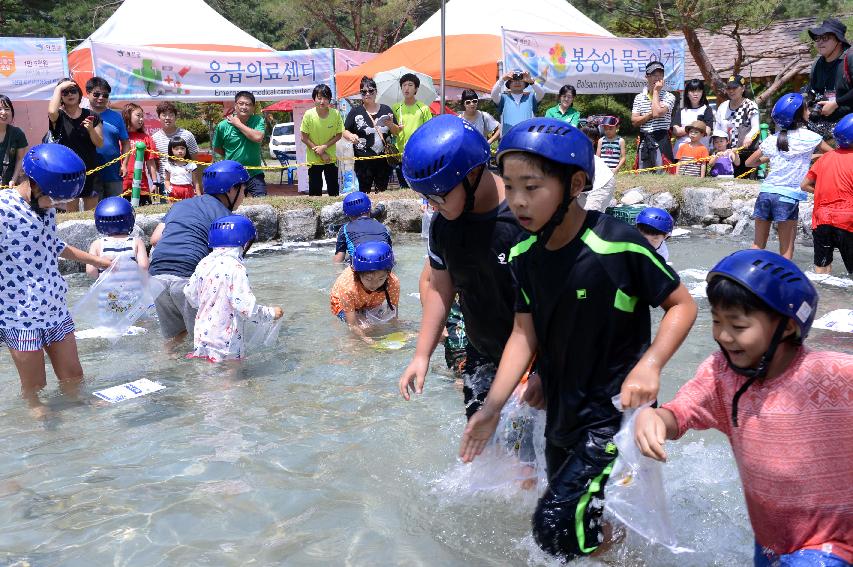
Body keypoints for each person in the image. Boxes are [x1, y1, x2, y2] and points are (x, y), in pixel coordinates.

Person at [458, 117, 697, 562]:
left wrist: (651, 364)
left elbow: (682, 306)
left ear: (575, 184)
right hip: (562, 413)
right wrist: (493, 407)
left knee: (554, 527)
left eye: (531, 187)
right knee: (582, 519)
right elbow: (524, 334)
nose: (518, 201)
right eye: (510, 187)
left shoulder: (618, 245)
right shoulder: (525, 257)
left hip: (613, 415)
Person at [634, 249, 852, 567]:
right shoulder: (722, 375)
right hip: (771, 541)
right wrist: (655, 419)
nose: (723, 335)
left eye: (738, 326)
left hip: (836, 544)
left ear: (788, 326)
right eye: (717, 321)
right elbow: (683, 410)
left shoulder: (832, 376)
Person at [398, 115, 528, 422]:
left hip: (536, 359)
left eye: (436, 196)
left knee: (527, 459)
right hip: (482, 355)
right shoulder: (444, 227)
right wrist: (421, 355)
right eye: (424, 198)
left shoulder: (526, 217)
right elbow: (440, 289)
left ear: (471, 175)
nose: (431, 206)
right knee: (483, 452)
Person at [0, 144, 112, 416]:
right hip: (20, 315)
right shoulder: (3, 210)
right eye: (55, 198)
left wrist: (99, 262)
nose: (59, 205)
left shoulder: (45, 208)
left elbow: (51, 243)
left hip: (54, 306)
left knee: (74, 378)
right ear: (34, 184)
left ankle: (81, 417)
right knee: (36, 391)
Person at [148, 160, 248, 345]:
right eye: (244, 189)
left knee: (174, 338)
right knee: (206, 340)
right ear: (231, 189)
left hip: (156, 276)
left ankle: (163, 367)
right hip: (187, 275)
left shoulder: (181, 205)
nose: (245, 195)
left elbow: (155, 239)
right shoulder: (226, 218)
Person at [183, 215, 283, 362]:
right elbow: (246, 308)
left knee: (208, 376)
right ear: (245, 242)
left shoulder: (204, 263)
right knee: (231, 382)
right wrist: (270, 313)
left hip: (202, 336)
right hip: (227, 342)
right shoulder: (236, 268)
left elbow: (190, 294)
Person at [745, 93, 832, 259]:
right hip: (787, 198)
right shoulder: (811, 138)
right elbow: (833, 155)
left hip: (766, 194)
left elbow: (749, 163)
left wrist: (772, 157)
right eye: (806, 109)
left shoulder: (772, 139)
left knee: (757, 245)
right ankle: (784, 283)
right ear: (798, 114)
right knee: (786, 251)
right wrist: (814, 157)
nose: (809, 112)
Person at [801, 113, 853, 275]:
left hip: (821, 220)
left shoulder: (825, 158)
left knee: (822, 272)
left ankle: (824, 300)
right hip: (847, 221)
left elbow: (804, 185)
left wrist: (825, 193)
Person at [48, 78, 103, 211]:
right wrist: (58, 88)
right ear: (60, 96)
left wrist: (90, 129)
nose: (70, 95)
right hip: (67, 172)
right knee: (72, 216)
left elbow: (100, 143)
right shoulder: (59, 116)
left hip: (90, 169)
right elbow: (51, 112)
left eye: (73, 91)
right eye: (65, 92)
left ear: (79, 93)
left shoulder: (92, 115)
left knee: (91, 215)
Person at [330, 241, 400, 342]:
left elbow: (393, 315)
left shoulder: (392, 283)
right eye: (368, 279)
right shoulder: (347, 287)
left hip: (370, 301)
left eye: (381, 279)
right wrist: (366, 339)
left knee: (379, 323)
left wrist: (397, 331)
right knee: (365, 327)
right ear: (358, 274)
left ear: (388, 274)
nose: (374, 285)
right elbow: (352, 324)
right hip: (341, 302)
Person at [342, 76, 397, 193]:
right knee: (364, 192)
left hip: (383, 160)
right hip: (363, 160)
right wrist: (351, 136)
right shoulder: (355, 112)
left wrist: (391, 125)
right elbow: (344, 131)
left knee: (382, 192)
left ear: (376, 92)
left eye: (371, 90)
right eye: (363, 92)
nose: (367, 94)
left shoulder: (386, 109)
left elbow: (396, 132)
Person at [212, 91, 266, 197]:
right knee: (232, 206)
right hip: (232, 173)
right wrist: (230, 157)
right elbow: (217, 148)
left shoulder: (258, 120)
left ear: (253, 107)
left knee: (262, 202)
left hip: (255, 174)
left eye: (248, 104)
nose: (244, 107)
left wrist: (238, 124)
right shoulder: (222, 125)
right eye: (241, 103)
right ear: (235, 105)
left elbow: (258, 137)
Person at [805, 18, 851, 138]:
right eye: (817, 38)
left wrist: (836, 103)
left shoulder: (850, 58)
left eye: (825, 38)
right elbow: (813, 92)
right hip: (825, 124)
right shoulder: (817, 65)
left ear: (839, 40)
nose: (819, 42)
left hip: (850, 123)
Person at [85, 77, 128, 201]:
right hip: (90, 173)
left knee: (116, 209)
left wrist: (124, 165)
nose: (101, 98)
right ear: (88, 94)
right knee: (92, 213)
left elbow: (126, 143)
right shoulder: (81, 115)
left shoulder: (117, 117)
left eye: (105, 95)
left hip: (114, 173)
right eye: (96, 94)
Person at [86, 196, 149, 278]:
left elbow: (91, 271)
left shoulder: (97, 244)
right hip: (132, 288)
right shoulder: (136, 242)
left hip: (107, 289)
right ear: (130, 219)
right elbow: (144, 267)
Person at [631, 61, 677, 172]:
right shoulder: (639, 97)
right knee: (643, 173)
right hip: (644, 139)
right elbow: (634, 121)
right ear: (647, 76)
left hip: (661, 138)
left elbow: (657, 113)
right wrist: (650, 114)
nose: (657, 78)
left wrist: (656, 91)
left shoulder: (669, 96)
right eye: (654, 75)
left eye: (660, 75)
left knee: (662, 174)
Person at [390, 73, 433, 189]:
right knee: (403, 185)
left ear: (416, 89)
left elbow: (429, 131)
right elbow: (392, 131)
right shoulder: (395, 108)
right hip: (399, 152)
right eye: (403, 85)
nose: (406, 88)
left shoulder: (424, 108)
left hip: (418, 152)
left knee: (418, 184)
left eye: (410, 85)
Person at [300, 84, 344, 197]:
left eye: (325, 98)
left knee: (333, 190)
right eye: (319, 98)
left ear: (329, 99)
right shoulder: (308, 115)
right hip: (314, 160)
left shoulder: (336, 114)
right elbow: (304, 137)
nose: (322, 101)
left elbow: (339, 135)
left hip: (331, 158)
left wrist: (324, 147)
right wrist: (320, 152)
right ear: (314, 99)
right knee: (315, 192)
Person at [715, 75, 760, 178]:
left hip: (745, 154)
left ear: (743, 88)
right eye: (728, 88)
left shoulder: (750, 105)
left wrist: (749, 136)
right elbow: (717, 129)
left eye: (734, 88)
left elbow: (756, 127)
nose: (731, 91)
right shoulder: (722, 106)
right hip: (726, 153)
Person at [333, 191, 391, 264]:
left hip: (360, 267)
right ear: (369, 208)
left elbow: (339, 259)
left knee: (348, 260)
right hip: (383, 265)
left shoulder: (344, 229)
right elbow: (390, 254)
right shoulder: (383, 227)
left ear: (347, 214)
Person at [152, 101, 199, 185]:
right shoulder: (154, 138)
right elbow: (155, 164)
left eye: (171, 114)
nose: (167, 118)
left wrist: (197, 187)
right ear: (159, 117)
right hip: (165, 185)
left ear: (176, 117)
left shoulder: (187, 135)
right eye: (164, 115)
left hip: (186, 184)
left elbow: (194, 161)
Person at [121, 103, 159, 206]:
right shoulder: (119, 137)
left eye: (143, 116)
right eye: (138, 115)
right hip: (121, 186)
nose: (141, 119)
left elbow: (150, 163)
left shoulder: (146, 138)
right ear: (127, 115)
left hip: (142, 187)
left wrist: (155, 182)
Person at [491, 69, 545, 134]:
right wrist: (502, 79)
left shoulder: (531, 97)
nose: (517, 83)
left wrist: (531, 81)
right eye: (514, 80)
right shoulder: (503, 98)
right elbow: (493, 94)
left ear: (525, 84)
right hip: (508, 140)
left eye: (520, 80)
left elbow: (541, 93)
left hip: (528, 139)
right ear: (509, 85)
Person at [671, 78, 714, 154]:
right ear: (687, 93)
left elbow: (707, 131)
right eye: (692, 91)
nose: (695, 94)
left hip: (700, 152)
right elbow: (676, 131)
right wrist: (697, 127)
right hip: (680, 152)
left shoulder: (707, 109)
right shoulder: (681, 111)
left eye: (699, 91)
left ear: (702, 93)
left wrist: (685, 130)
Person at [0, 95, 28, 188]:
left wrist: (13, 179)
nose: (3, 112)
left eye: (7, 109)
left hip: (8, 186)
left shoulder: (17, 133)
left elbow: (20, 159)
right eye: (0, 109)